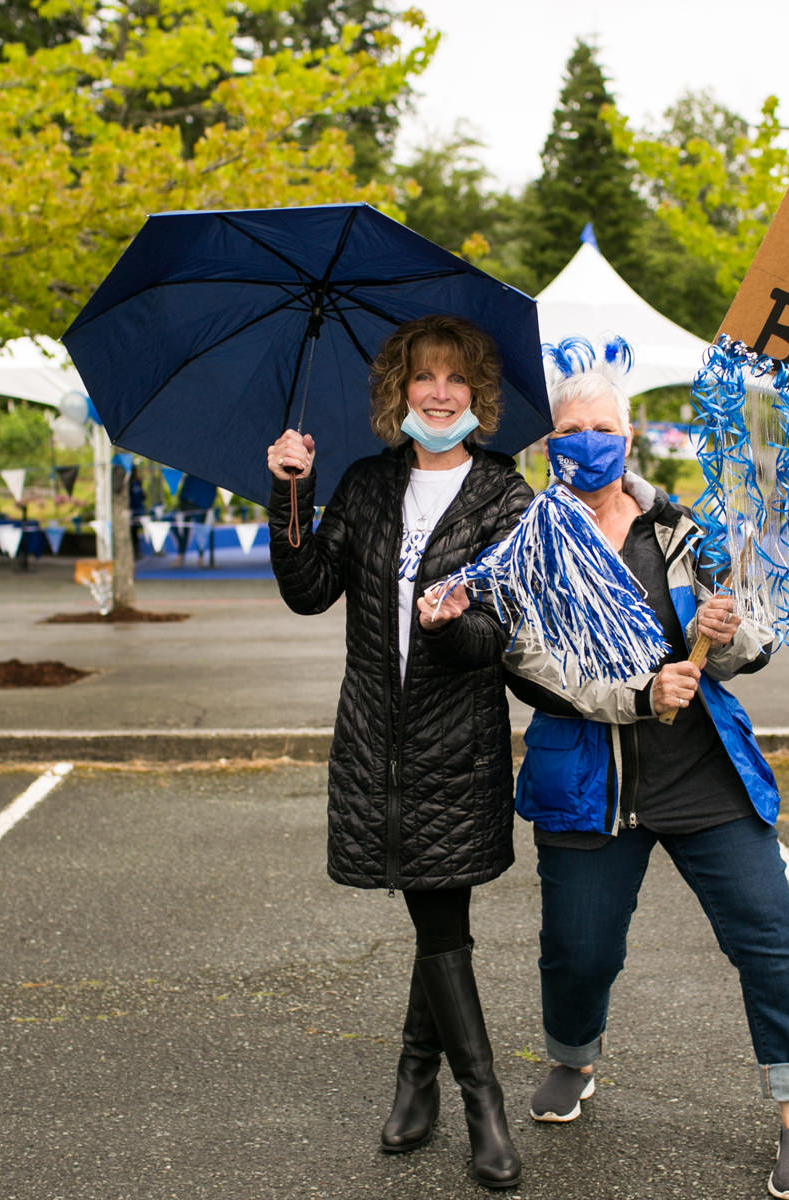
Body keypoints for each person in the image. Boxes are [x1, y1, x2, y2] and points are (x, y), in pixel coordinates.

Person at [500, 352, 789, 1200]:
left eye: (602, 429)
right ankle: (574, 1059)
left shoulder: (681, 530)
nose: (587, 442)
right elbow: (530, 665)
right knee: (578, 951)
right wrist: (641, 696)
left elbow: (750, 644)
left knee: (769, 935)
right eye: (570, 431)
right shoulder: (529, 542)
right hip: (590, 784)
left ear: (629, 437)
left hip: (704, 778)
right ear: (547, 445)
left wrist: (728, 628)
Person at [265, 314, 533, 1190]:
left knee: (438, 914)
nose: (440, 393)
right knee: (436, 914)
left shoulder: (505, 497)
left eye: (457, 378)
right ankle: (418, 1078)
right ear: (399, 391)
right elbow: (310, 590)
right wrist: (291, 494)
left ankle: (480, 1103)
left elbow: (501, 636)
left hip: (458, 744)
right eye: (424, 376)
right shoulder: (368, 485)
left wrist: (453, 626)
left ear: (478, 394)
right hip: (376, 741)